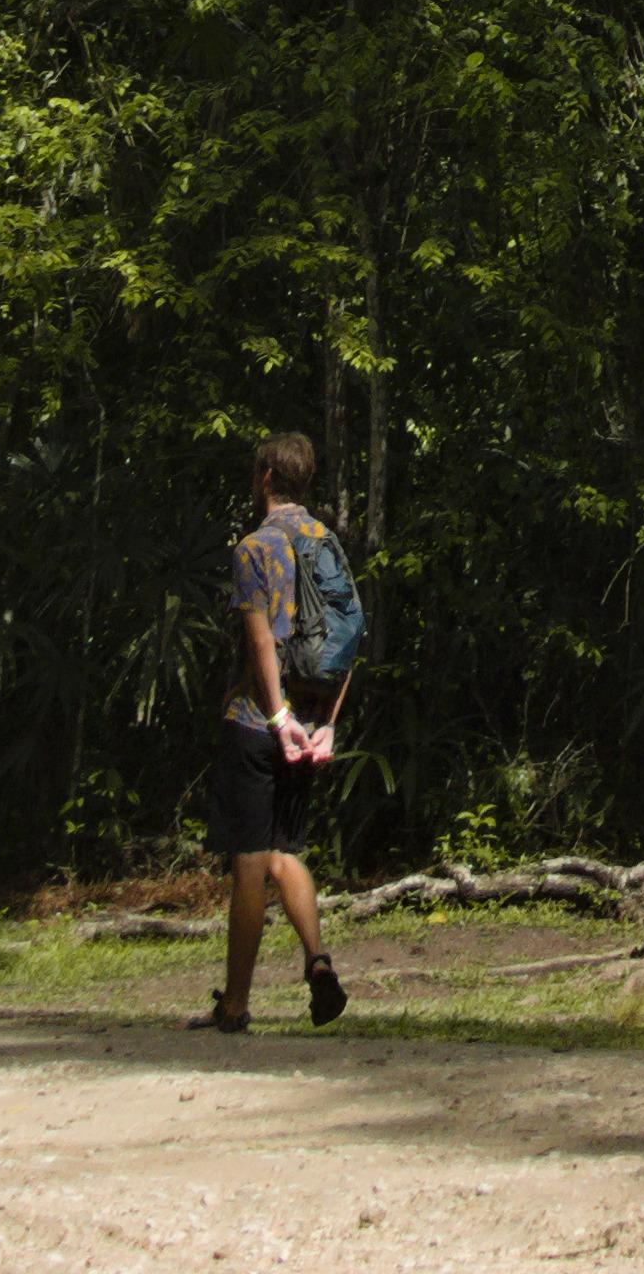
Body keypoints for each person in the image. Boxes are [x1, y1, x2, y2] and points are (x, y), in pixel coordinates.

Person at [201, 432, 356, 1034]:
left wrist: (275, 717)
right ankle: (317, 963)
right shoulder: (328, 544)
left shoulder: (254, 548)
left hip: (258, 726)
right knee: (284, 852)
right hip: (310, 724)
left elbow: (261, 640)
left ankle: (235, 1005)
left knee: (248, 861)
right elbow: (348, 641)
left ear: (266, 477)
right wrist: (326, 726)